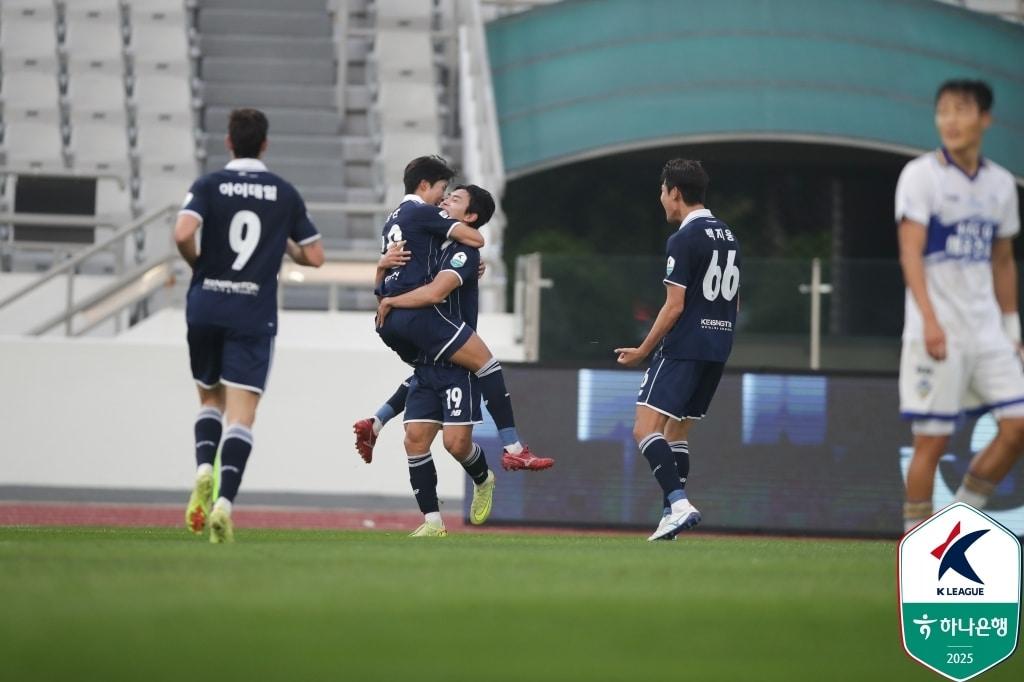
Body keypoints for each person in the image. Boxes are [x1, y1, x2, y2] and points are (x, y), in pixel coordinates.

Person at [175, 108, 324, 543]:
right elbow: (315, 257)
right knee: (243, 415)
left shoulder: (208, 184)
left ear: (228, 142)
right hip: (252, 312)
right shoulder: (283, 192)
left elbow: (183, 232)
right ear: (264, 144)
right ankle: (223, 504)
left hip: (205, 304)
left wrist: (199, 265)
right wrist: (285, 247)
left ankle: (204, 468)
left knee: (209, 400)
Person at [896, 79, 1024, 532]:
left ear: (984, 119)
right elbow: (910, 252)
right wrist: (930, 321)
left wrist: (1012, 331)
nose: (950, 120)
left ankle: (959, 521)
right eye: (943, 110)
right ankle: (916, 539)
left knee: (1017, 426)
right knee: (931, 439)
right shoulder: (921, 175)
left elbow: (1003, 259)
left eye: (962, 110)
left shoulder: (1002, 184)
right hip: (937, 330)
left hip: (988, 331)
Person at [375, 159, 554, 471]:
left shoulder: (447, 246)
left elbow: (436, 277)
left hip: (417, 333)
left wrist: (387, 290)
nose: (444, 199)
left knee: (443, 437)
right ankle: (513, 447)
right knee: (485, 369)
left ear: (470, 216)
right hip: (431, 332)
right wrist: (391, 297)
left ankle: (377, 421)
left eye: (452, 197)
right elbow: (434, 290)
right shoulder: (436, 237)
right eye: (444, 192)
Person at [615, 159, 740, 541]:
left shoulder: (684, 239)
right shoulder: (729, 235)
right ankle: (671, 515)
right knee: (677, 434)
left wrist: (642, 350)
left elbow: (674, 306)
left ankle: (679, 503)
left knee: (644, 429)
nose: (661, 199)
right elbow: (734, 300)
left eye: (662, 192)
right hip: (718, 347)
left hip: (684, 346)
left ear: (675, 193)